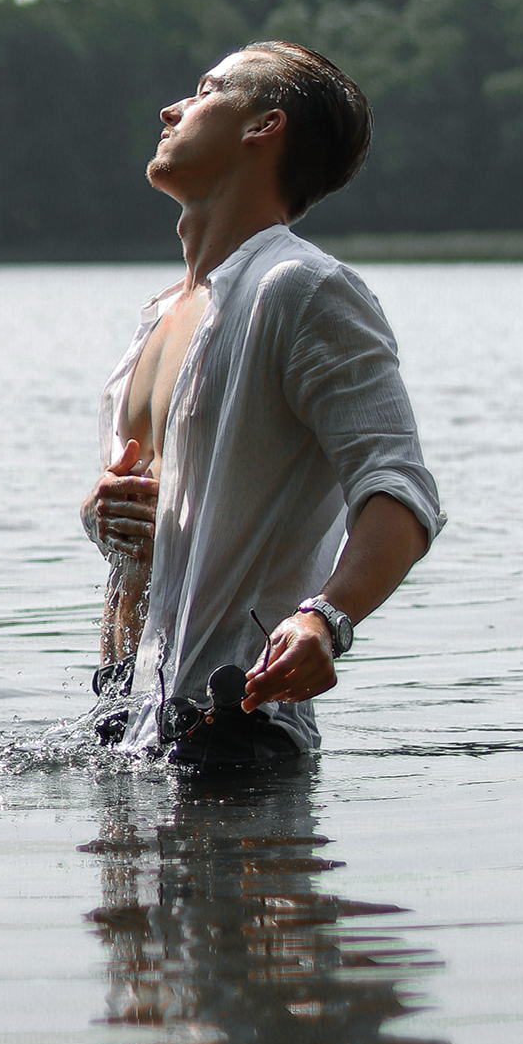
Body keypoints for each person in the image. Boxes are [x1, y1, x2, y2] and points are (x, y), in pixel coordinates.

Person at [81, 40, 444, 760]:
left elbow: (401, 491)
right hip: (128, 719)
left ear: (263, 126)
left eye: (205, 91)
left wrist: (326, 619)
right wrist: (103, 514)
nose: (172, 109)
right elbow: (163, 539)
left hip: (240, 729)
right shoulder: (162, 316)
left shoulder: (303, 289)